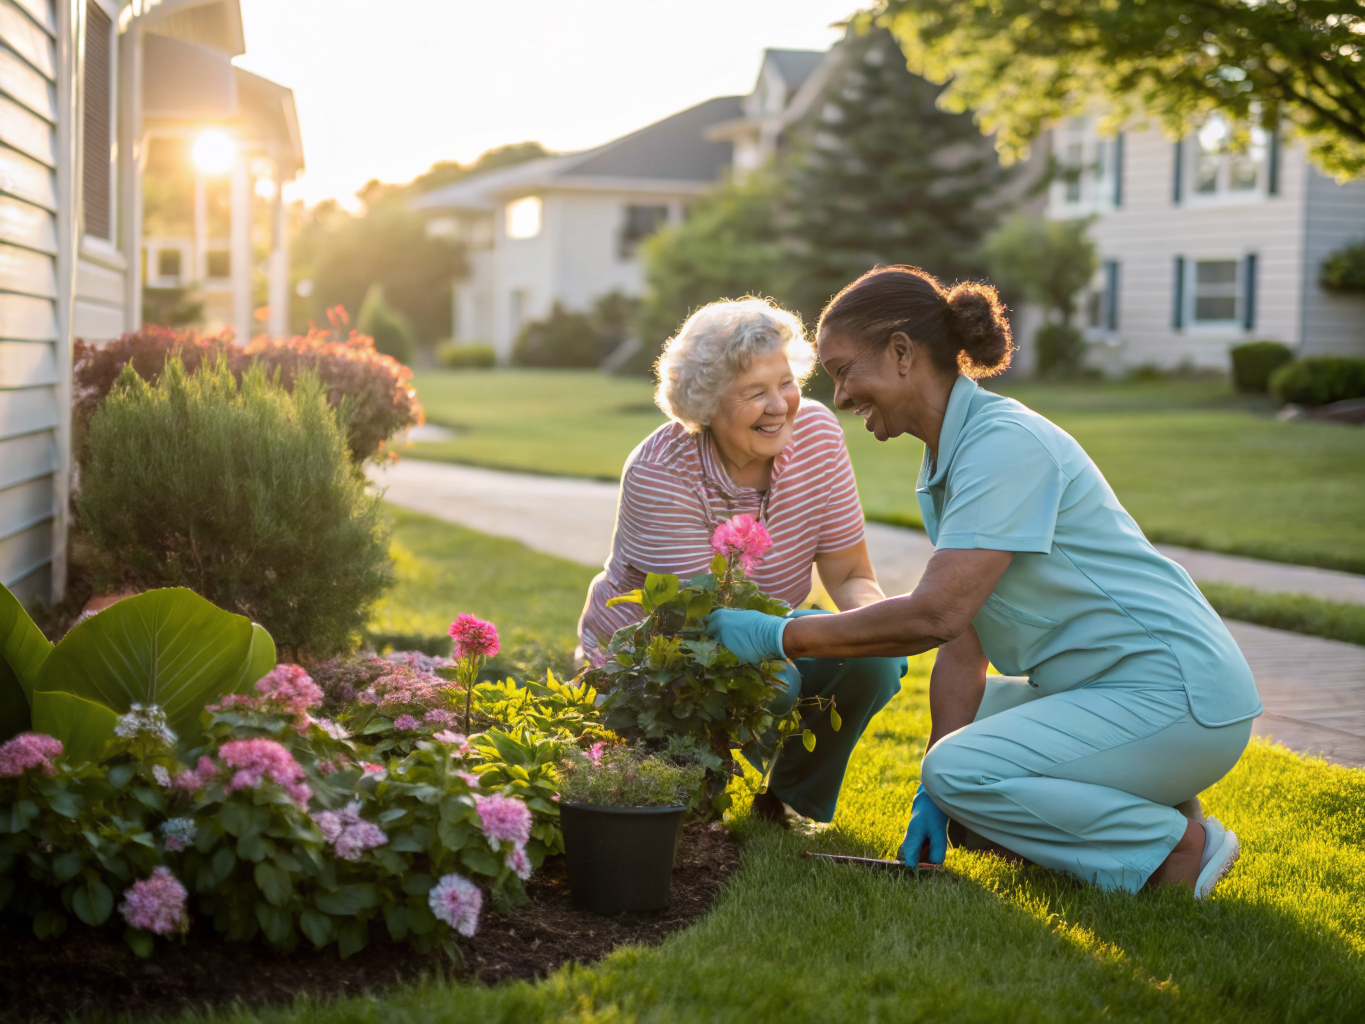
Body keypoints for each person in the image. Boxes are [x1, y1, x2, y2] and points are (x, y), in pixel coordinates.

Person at [707, 267, 1261, 896]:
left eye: (843, 371)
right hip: (1124, 694)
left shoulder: (1003, 446)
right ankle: (1150, 810)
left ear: (900, 352)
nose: (838, 397)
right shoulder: (951, 455)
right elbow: (962, 641)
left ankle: (1175, 850)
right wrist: (934, 793)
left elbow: (932, 615)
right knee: (961, 751)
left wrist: (782, 637)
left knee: (962, 767)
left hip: (1178, 700)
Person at [578, 297, 904, 826]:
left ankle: (787, 805)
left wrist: (878, 627)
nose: (780, 406)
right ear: (705, 404)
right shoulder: (660, 471)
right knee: (778, 680)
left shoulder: (817, 435)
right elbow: (703, 627)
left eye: (786, 382)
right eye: (755, 392)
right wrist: (803, 641)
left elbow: (850, 575)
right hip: (657, 663)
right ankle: (697, 796)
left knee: (874, 656)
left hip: (768, 637)